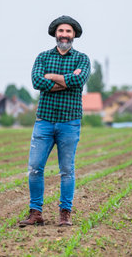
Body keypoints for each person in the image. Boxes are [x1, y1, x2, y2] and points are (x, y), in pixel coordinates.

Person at [19, 15, 91, 227]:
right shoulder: (42, 57)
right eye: (61, 31)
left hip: (70, 122)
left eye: (68, 31)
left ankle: (65, 214)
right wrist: (67, 80)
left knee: (67, 170)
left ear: (74, 34)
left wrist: (51, 77)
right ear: (55, 34)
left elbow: (79, 80)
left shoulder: (82, 59)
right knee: (34, 168)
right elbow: (36, 81)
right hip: (44, 121)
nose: (64, 35)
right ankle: (35, 213)